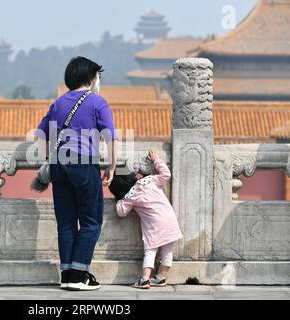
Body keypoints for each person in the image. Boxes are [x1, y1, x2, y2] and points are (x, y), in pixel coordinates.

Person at [35, 56, 116, 291]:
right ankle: (79, 276)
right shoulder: (97, 102)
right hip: (84, 164)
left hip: (59, 165)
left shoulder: (58, 103)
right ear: (91, 79)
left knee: (66, 222)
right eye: (98, 76)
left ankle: (67, 274)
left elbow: (40, 136)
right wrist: (111, 167)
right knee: (91, 221)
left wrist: (49, 160)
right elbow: (110, 137)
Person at [109, 149, 182, 289]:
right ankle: (161, 277)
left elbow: (121, 212)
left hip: (154, 225)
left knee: (150, 250)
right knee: (168, 250)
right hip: (170, 218)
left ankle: (144, 279)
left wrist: (119, 199)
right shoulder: (148, 180)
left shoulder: (130, 197)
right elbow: (166, 174)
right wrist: (156, 160)